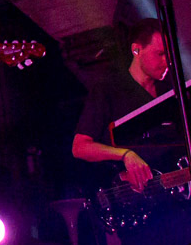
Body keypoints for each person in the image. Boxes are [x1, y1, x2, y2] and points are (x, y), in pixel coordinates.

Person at [71, 18, 170, 192]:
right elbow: (80, 147)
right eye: (160, 54)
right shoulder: (108, 88)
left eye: (169, 55)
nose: (167, 62)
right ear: (136, 50)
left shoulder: (171, 90)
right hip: (130, 194)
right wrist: (125, 154)